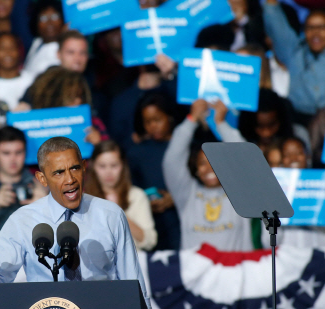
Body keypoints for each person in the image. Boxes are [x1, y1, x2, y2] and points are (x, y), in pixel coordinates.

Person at [0, 137, 150, 307]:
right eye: (59, 172)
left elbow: (133, 284)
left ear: (84, 167)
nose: (70, 179)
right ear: (42, 179)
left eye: (74, 168)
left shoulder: (111, 215)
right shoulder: (22, 220)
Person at [162, 99, 254, 251]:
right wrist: (191, 120)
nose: (209, 168)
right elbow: (172, 160)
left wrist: (221, 124)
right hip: (196, 273)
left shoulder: (240, 192)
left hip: (235, 272)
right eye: (203, 163)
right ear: (196, 169)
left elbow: (246, 157)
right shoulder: (186, 193)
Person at [127, 93, 181, 250]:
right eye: (147, 122)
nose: (153, 126)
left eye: (157, 120)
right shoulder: (136, 153)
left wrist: (175, 198)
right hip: (153, 225)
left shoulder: (185, 146)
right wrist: (145, 202)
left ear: (169, 117)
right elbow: (133, 189)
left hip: (183, 223)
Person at [84, 141, 157, 251]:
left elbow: (150, 241)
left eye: (114, 165)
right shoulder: (84, 199)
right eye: (102, 166)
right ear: (93, 166)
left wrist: (120, 216)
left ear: (123, 165)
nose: (108, 172)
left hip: (132, 263)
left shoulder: (136, 195)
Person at [263, 0, 325, 124]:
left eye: (322, 27)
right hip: (296, 120)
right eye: (310, 27)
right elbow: (276, 23)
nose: (316, 33)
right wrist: (271, 4)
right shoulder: (293, 51)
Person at [0, 32, 33, 110]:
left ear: (20, 52)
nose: (7, 52)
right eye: (2, 48)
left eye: (12, 48)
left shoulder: (33, 81)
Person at [22, 0, 63, 77]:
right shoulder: (37, 42)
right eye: (43, 18)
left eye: (55, 17)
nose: (50, 22)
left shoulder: (64, 50)